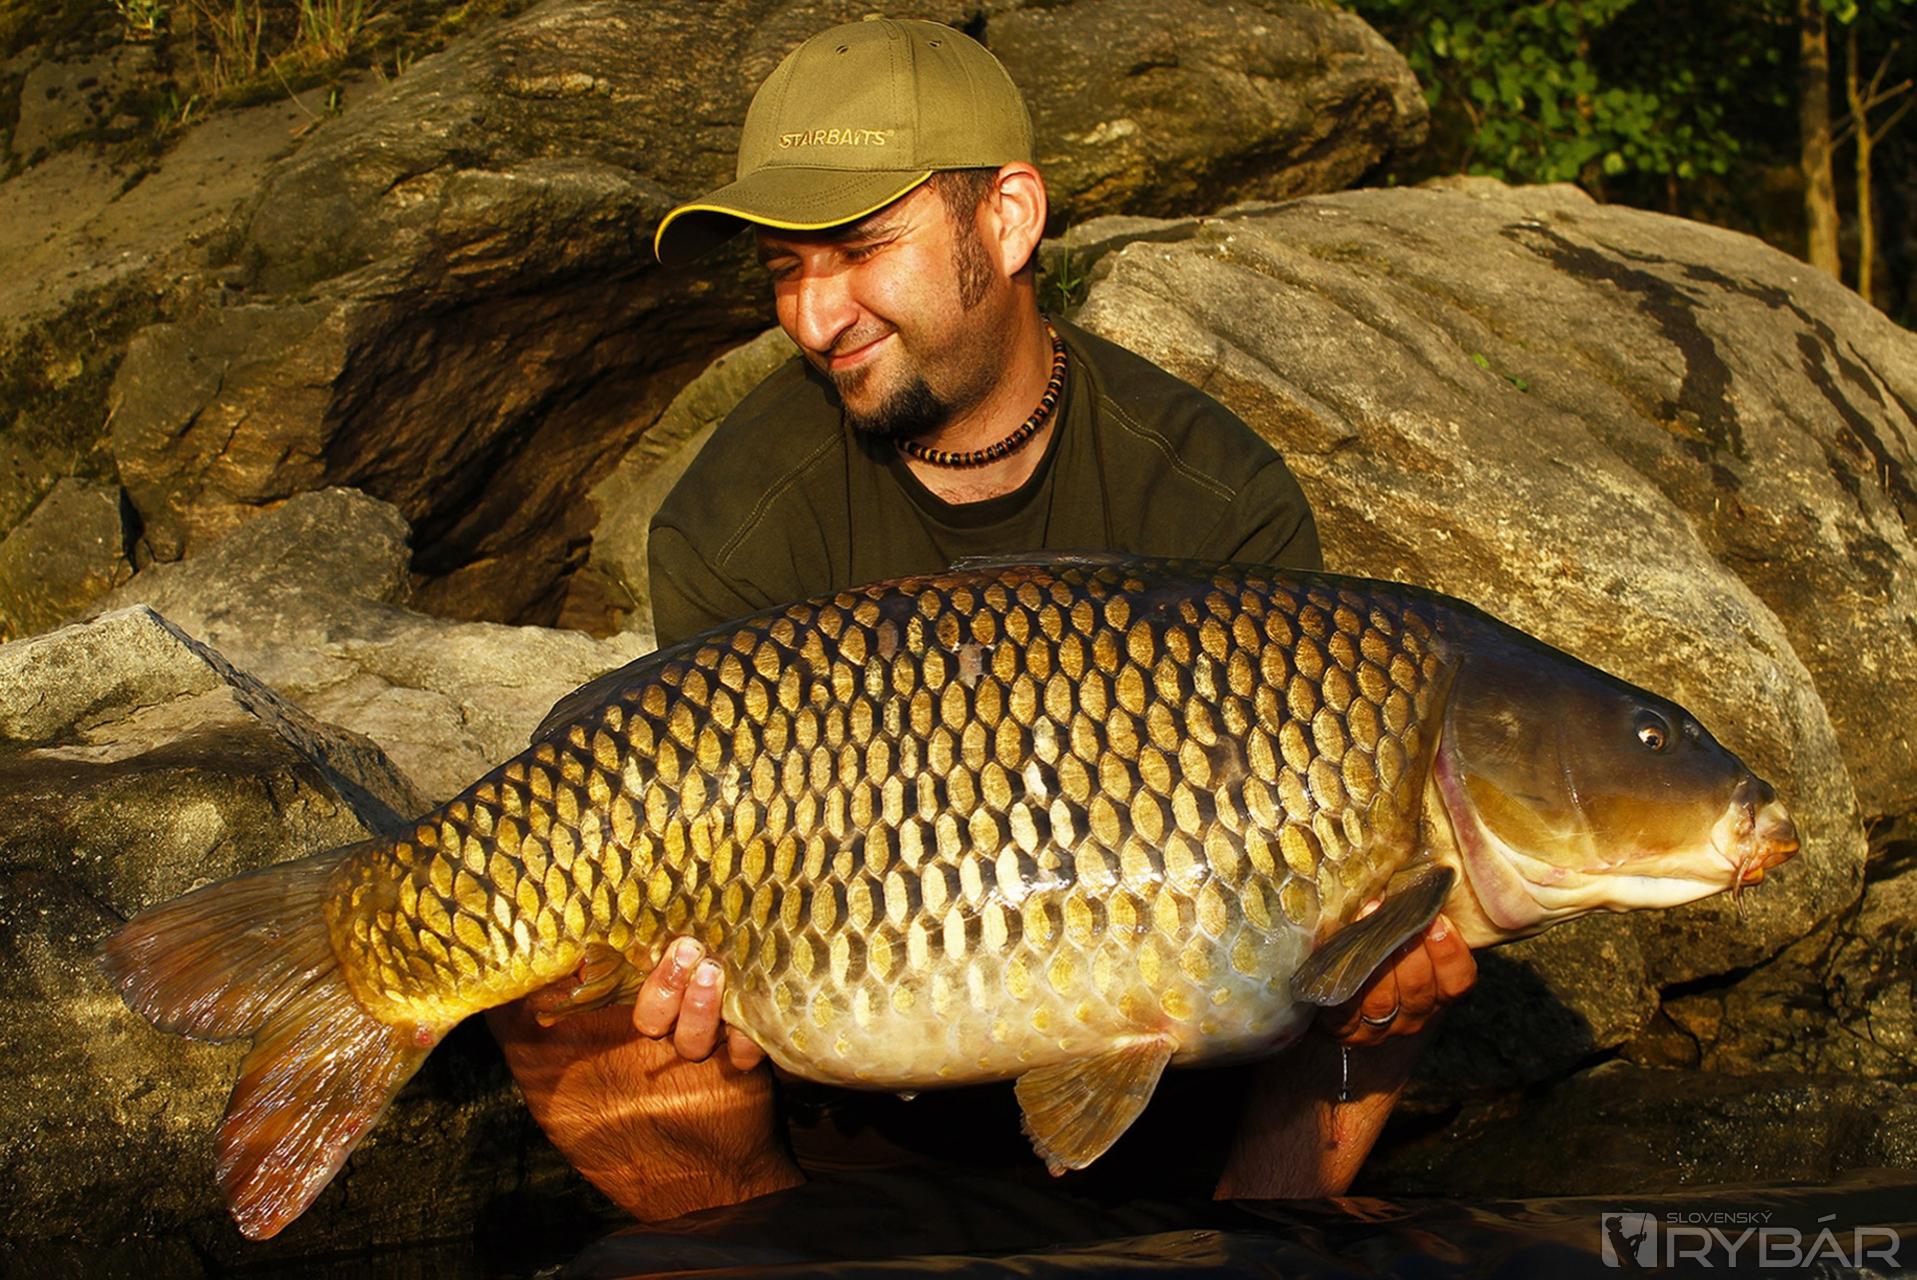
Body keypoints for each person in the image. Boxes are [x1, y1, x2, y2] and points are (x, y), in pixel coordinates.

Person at [486, 16, 1476, 1223]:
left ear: (1008, 219)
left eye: (859, 249)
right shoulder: (738, 516)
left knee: (1403, 924)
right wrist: (690, 971)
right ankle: (763, 1244)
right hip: (852, 1097)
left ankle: (1259, 1241)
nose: (814, 316)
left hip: (1181, 1091)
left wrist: (1365, 965)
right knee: (558, 988)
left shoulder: (1213, 494)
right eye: (785, 268)